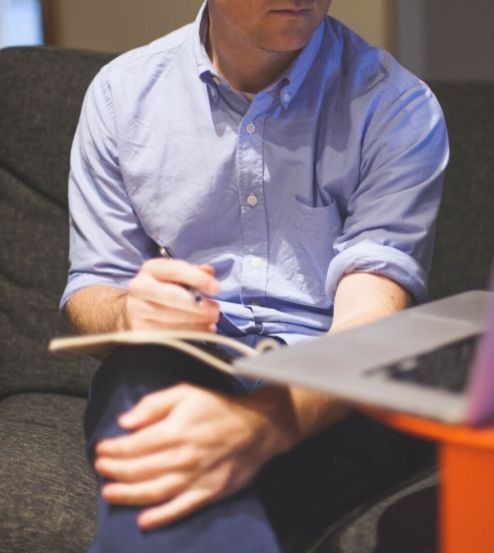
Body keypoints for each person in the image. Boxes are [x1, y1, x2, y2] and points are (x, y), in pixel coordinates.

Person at [61, 1, 448, 551]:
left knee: (178, 491)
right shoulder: (122, 96)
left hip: (332, 379)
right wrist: (129, 313)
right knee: (137, 370)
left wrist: (262, 423)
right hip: (183, 360)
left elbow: (368, 323)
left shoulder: (396, 107)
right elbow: (93, 285)